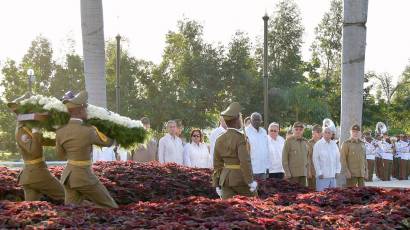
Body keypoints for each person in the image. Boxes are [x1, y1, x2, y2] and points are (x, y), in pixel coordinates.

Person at [56, 91, 118, 208]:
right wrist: (113, 128)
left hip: (68, 177)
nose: (86, 111)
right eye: (85, 109)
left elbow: (60, 155)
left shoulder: (60, 131)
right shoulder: (88, 130)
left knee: (73, 212)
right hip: (83, 176)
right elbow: (108, 142)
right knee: (110, 206)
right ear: (80, 110)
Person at [7, 94, 64, 202]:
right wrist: (36, 130)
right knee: (69, 198)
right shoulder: (22, 131)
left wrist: (64, 139)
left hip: (31, 176)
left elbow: (43, 141)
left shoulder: (28, 127)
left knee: (31, 210)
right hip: (38, 174)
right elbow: (35, 152)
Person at [213, 102, 257, 199]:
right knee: (252, 206)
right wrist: (250, 181)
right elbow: (245, 161)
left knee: (228, 210)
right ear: (237, 120)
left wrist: (216, 183)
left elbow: (217, 164)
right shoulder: (241, 138)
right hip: (240, 179)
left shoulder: (219, 139)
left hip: (225, 180)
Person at [313, 126, 341, 191]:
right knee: (322, 197)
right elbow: (315, 160)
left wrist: (337, 171)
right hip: (322, 176)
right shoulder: (318, 144)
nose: (327, 134)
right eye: (326, 132)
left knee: (332, 197)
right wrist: (319, 172)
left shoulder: (334, 144)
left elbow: (338, 159)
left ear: (332, 134)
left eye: (329, 133)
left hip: (333, 176)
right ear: (323, 133)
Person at [282, 122, 309, 187]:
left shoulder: (305, 141)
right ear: (293, 130)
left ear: (303, 131)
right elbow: (284, 159)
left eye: (300, 129)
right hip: (292, 175)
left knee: (303, 194)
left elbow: (307, 158)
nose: (298, 131)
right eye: (296, 129)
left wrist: (307, 172)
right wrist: (287, 173)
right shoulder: (288, 141)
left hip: (303, 174)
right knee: (293, 195)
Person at [245, 112, 270, 180]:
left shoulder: (264, 132)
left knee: (263, 190)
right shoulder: (245, 132)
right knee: (252, 190)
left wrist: (267, 166)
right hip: (251, 169)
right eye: (255, 119)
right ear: (251, 120)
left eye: (258, 120)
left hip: (263, 169)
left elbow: (266, 149)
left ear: (261, 121)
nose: (257, 121)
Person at [307, 125, 322, 190]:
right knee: (312, 191)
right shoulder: (309, 143)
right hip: (313, 172)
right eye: (317, 132)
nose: (318, 134)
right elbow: (308, 158)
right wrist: (309, 171)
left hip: (322, 172)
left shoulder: (323, 143)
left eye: (319, 132)